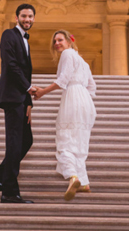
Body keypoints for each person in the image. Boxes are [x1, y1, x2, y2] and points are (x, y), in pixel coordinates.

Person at [33, 30, 97, 200]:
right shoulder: (83, 61)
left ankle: (73, 176)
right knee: (80, 141)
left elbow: (63, 80)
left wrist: (42, 92)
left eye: (60, 40)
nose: (57, 43)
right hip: (86, 101)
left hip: (74, 97)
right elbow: (92, 87)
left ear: (69, 41)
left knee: (66, 140)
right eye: (55, 41)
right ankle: (84, 183)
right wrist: (84, 100)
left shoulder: (68, 54)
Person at [0, 4, 38, 203]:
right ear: (16, 17)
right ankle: (9, 192)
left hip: (21, 99)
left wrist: (28, 103)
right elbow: (11, 65)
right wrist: (28, 88)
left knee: (26, 141)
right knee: (15, 142)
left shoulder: (25, 39)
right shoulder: (9, 35)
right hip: (12, 97)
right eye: (24, 16)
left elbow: (23, 69)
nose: (27, 19)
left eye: (30, 16)